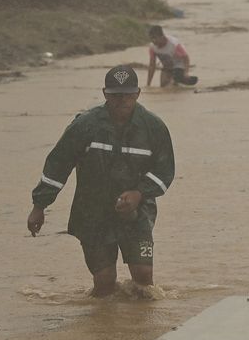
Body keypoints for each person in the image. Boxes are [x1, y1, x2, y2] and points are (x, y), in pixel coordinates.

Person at [27, 65, 175, 297]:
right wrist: (39, 205)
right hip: (92, 211)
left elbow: (165, 170)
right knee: (104, 282)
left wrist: (139, 193)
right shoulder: (85, 125)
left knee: (144, 280)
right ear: (105, 94)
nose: (122, 100)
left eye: (127, 94)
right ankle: (102, 325)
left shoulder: (153, 128)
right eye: (116, 95)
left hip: (136, 211)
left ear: (137, 94)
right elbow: (58, 163)